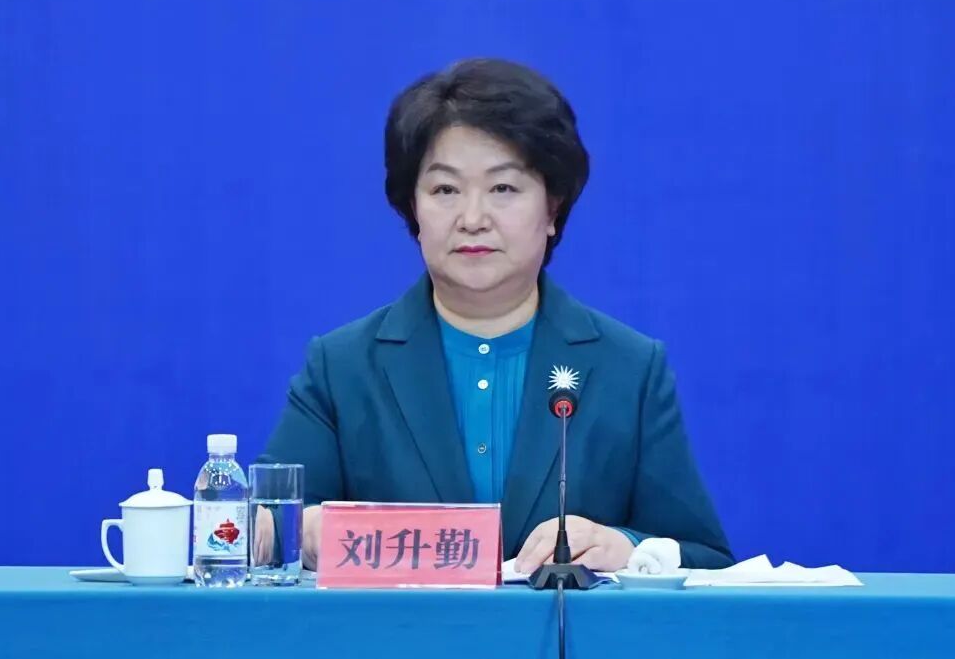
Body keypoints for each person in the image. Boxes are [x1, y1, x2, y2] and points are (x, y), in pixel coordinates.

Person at [256, 58, 733, 573]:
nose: (472, 219)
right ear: (413, 209)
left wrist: (628, 548)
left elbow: (705, 559)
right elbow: (253, 530)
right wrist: (299, 531)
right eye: (445, 190)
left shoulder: (629, 368)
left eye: (503, 188)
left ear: (552, 208)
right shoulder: (344, 367)